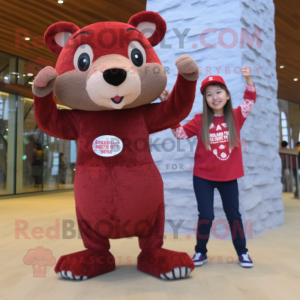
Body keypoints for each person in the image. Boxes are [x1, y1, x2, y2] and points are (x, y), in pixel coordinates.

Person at [159, 67, 256, 268]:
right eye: (209, 95)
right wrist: (166, 103)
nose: (214, 97)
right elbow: (179, 134)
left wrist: (248, 79)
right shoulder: (199, 120)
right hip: (203, 177)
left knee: (234, 216)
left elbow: (249, 101)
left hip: (229, 177)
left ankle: (243, 253)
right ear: (206, 100)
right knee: (206, 215)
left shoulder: (237, 116)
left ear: (227, 96)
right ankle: (200, 253)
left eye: (218, 92)